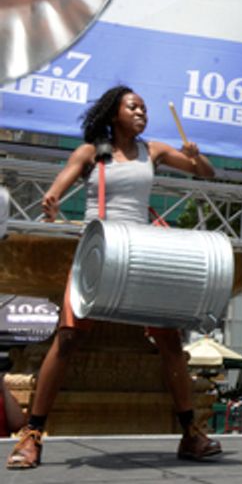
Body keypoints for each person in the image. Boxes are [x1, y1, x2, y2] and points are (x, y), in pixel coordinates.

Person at [6, 86, 221, 470]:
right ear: (113, 114)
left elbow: (206, 172)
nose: (141, 113)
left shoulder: (154, 151)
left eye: (144, 109)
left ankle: (191, 433)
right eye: (133, 107)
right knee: (67, 339)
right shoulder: (91, 153)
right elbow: (58, 188)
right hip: (98, 253)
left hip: (141, 253)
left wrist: (195, 156)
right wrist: (52, 201)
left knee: (170, 341)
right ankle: (33, 435)